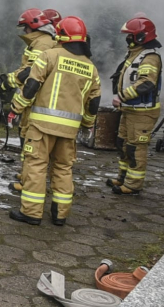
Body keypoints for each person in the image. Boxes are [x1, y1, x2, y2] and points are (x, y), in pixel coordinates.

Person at [7, 16, 101, 226]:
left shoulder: (49, 56)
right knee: (63, 169)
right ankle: (60, 215)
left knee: (37, 167)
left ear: (61, 36)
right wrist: (87, 124)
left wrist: (15, 108)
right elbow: (93, 102)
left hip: (41, 127)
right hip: (69, 132)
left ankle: (31, 213)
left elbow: (31, 86)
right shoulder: (90, 67)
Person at [0, 9, 57, 192]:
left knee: (30, 140)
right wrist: (3, 79)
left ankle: (29, 181)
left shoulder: (42, 44)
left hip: (36, 100)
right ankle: (27, 174)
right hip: (33, 99)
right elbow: (25, 69)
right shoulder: (40, 42)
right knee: (26, 137)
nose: (24, 31)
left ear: (32, 26)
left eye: (25, 27)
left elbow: (30, 73)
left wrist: (5, 84)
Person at [107, 16, 162, 195]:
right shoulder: (136, 54)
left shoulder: (150, 57)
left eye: (130, 36)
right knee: (123, 144)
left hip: (143, 113)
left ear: (140, 37)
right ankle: (122, 178)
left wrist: (122, 96)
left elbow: (147, 83)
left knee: (135, 148)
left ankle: (133, 185)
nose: (127, 39)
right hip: (130, 110)